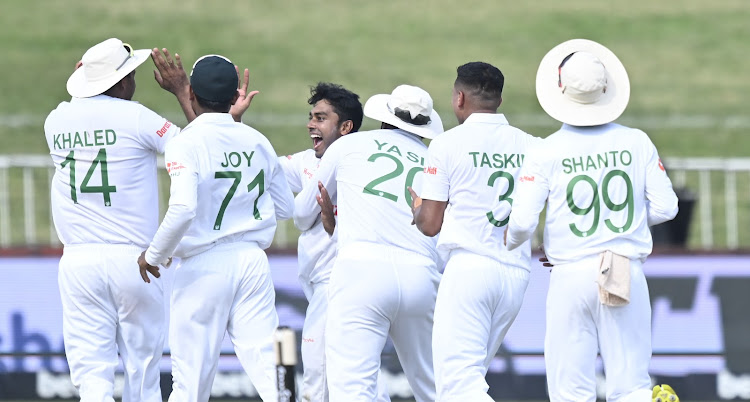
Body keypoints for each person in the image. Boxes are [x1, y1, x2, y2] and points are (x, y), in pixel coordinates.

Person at [505, 39, 679, 401]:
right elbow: (666, 207)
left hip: (569, 272)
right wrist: (624, 225)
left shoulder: (546, 150)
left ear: (560, 88)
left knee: (570, 389)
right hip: (622, 266)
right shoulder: (636, 141)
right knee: (631, 384)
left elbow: (521, 222)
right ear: (606, 87)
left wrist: (510, 242)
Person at [44, 37, 198, 402]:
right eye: (130, 74)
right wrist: (181, 92)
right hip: (136, 260)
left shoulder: (56, 120)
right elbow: (195, 147)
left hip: (78, 261)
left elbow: (83, 105)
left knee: (92, 375)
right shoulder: (138, 117)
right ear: (121, 81)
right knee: (142, 371)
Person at [137, 54, 294, 402]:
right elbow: (285, 207)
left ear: (190, 93)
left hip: (203, 266)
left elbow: (183, 209)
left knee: (190, 385)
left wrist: (154, 255)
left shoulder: (185, 143)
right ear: (233, 97)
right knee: (272, 376)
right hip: (253, 263)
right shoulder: (257, 140)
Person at [293, 85, 444, 402]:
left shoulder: (350, 145)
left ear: (385, 116)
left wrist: (335, 222)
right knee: (437, 387)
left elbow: (302, 212)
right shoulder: (436, 161)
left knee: (353, 389)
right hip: (421, 273)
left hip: (360, 272)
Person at [409, 62, 540, 401]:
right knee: (470, 380)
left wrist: (418, 207)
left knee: (458, 386)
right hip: (515, 274)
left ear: (459, 98)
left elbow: (430, 224)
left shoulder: (447, 143)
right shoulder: (533, 145)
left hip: (469, 270)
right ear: (498, 99)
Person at [279, 82, 390, 402]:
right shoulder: (304, 161)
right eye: (311, 116)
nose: (311, 124)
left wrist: (321, 219)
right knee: (359, 377)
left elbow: (301, 216)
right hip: (325, 285)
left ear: (346, 127)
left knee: (318, 376)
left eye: (321, 117)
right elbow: (258, 166)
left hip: (342, 283)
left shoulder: (367, 165)